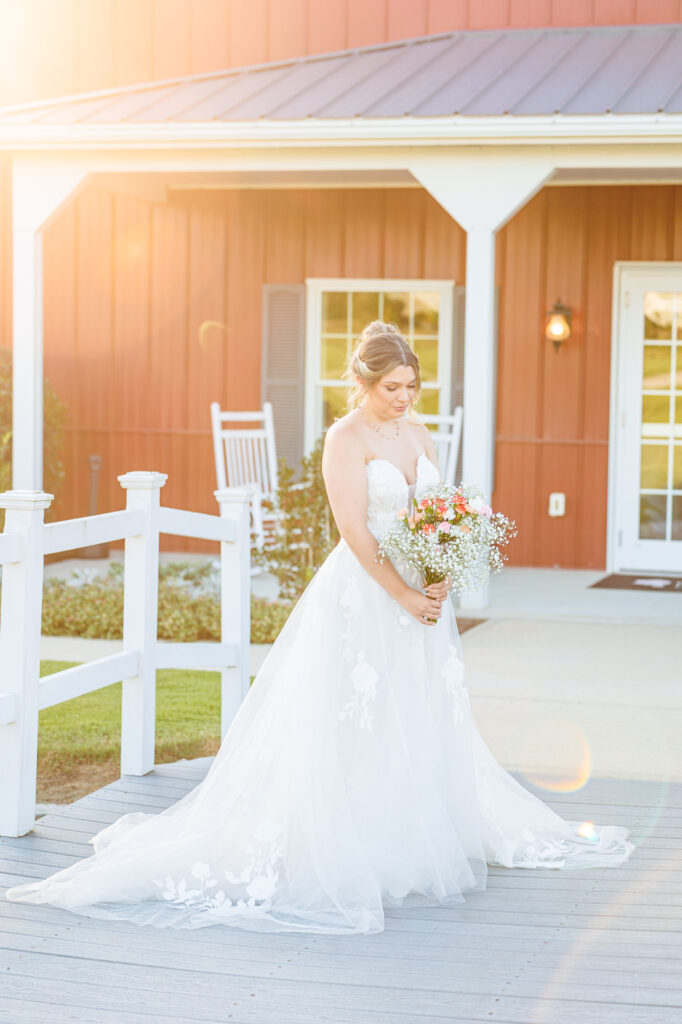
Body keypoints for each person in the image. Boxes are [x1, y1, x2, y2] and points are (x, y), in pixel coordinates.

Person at [5, 321, 634, 934]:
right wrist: (403, 593)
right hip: (369, 593)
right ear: (363, 381)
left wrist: (442, 569)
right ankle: (359, 836)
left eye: (413, 386)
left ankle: (417, 823)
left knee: (416, 707)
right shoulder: (344, 438)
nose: (405, 399)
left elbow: (439, 510)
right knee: (358, 712)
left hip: (422, 592)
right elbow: (355, 531)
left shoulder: (418, 433)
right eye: (393, 387)